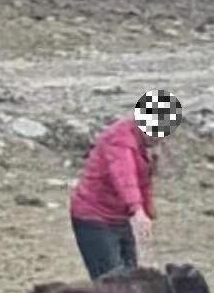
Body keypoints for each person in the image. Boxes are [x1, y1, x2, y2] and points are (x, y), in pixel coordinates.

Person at [68, 110, 164, 280]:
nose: (159, 139)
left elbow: (141, 177)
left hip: (118, 217)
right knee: (112, 284)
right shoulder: (119, 139)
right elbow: (124, 175)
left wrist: (147, 206)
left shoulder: (142, 142)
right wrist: (137, 209)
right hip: (93, 216)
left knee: (131, 279)